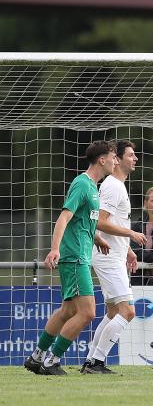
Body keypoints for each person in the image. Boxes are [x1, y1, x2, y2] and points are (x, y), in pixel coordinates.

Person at [24, 141, 117, 376]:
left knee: (67, 311)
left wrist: (96, 238)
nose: (115, 162)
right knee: (88, 313)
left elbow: (81, 222)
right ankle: (51, 361)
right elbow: (64, 218)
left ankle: (36, 357)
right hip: (75, 257)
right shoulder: (82, 184)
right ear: (102, 160)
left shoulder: (92, 187)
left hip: (79, 255)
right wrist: (54, 249)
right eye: (113, 157)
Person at [82, 140, 149, 374]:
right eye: (130, 155)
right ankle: (97, 362)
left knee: (112, 313)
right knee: (127, 311)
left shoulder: (117, 185)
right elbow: (100, 222)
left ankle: (91, 360)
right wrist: (131, 234)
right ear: (117, 159)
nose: (135, 158)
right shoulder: (113, 186)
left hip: (114, 255)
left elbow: (113, 223)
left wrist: (127, 249)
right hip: (108, 258)